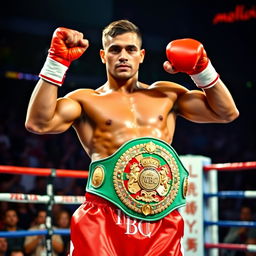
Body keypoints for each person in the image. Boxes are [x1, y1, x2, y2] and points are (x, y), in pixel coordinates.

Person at [25, 19, 239, 256]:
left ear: (142, 55)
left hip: (160, 218)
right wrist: (56, 62)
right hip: (104, 215)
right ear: (103, 56)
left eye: (130, 49)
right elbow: (38, 122)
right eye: (115, 49)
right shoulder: (86, 100)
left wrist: (202, 70)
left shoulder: (166, 94)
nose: (123, 56)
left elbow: (226, 112)